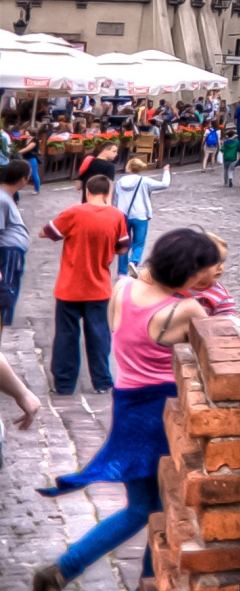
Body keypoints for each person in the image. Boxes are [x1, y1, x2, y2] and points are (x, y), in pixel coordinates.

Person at [32, 227, 224, 591]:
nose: (206, 280)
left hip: (127, 406)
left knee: (148, 505)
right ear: (185, 271)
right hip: (159, 413)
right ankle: (130, 578)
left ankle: (71, 572)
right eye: (202, 273)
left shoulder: (122, 287)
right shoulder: (185, 309)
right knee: (155, 508)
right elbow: (217, 353)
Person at [45, 173, 127, 394]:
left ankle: (63, 385)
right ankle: (101, 382)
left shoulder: (73, 212)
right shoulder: (116, 216)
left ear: (87, 191)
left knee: (66, 335)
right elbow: (123, 248)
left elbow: (49, 232)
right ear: (108, 193)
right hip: (99, 287)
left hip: (69, 286)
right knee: (99, 335)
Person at [0, 160, 33, 328]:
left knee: (7, 297)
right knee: (4, 296)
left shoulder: (7, 198)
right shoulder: (2, 199)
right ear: (22, 179)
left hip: (12, 252)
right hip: (7, 252)